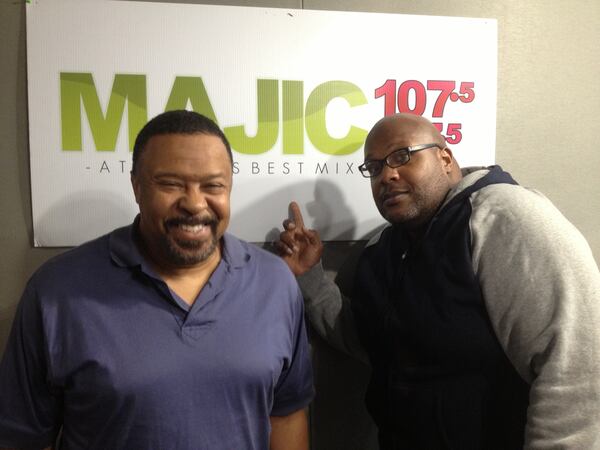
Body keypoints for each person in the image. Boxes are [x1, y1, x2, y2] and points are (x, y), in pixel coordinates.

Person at [277, 113, 600, 449]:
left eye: (402, 156)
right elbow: (375, 342)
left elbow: (577, 365)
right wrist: (309, 278)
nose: (387, 175)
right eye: (373, 168)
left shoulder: (503, 217)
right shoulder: (383, 249)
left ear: (445, 158)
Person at [0, 110, 314, 450]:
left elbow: (286, 414)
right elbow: (24, 437)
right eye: (170, 184)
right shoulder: (56, 291)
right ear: (137, 187)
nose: (194, 203)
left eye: (213, 186)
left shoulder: (275, 283)